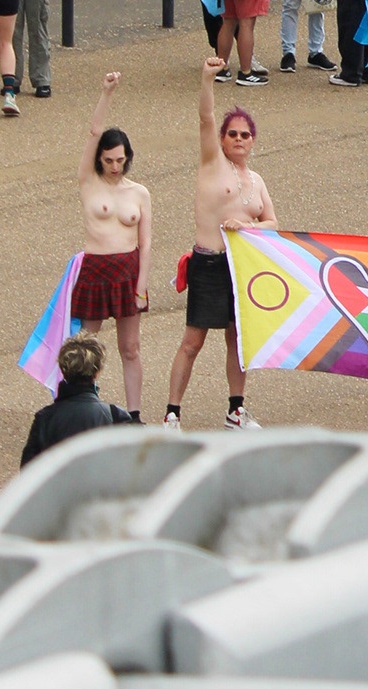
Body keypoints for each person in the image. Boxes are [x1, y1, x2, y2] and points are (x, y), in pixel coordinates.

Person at [166, 59, 274, 430]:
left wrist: (247, 227)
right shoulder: (213, 164)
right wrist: (206, 80)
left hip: (240, 267)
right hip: (209, 262)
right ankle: (172, 414)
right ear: (223, 140)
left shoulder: (257, 180)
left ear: (253, 140)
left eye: (245, 134)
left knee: (237, 340)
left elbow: (272, 222)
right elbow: (205, 118)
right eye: (232, 134)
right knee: (192, 342)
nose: (238, 139)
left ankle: (235, 410)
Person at [76, 72, 152, 416]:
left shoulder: (139, 193)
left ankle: (134, 414)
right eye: (108, 160)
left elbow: (146, 243)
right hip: (95, 267)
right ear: (99, 159)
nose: (115, 167)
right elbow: (94, 132)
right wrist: (106, 93)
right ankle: (84, 407)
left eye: (120, 160)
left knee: (130, 347)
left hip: (127, 271)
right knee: (85, 346)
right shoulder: (88, 182)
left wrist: (141, 287)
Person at [20, 335, 140, 466]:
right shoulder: (115, 416)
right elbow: (134, 466)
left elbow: (29, 470)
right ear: (96, 373)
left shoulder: (45, 418)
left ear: (63, 370)